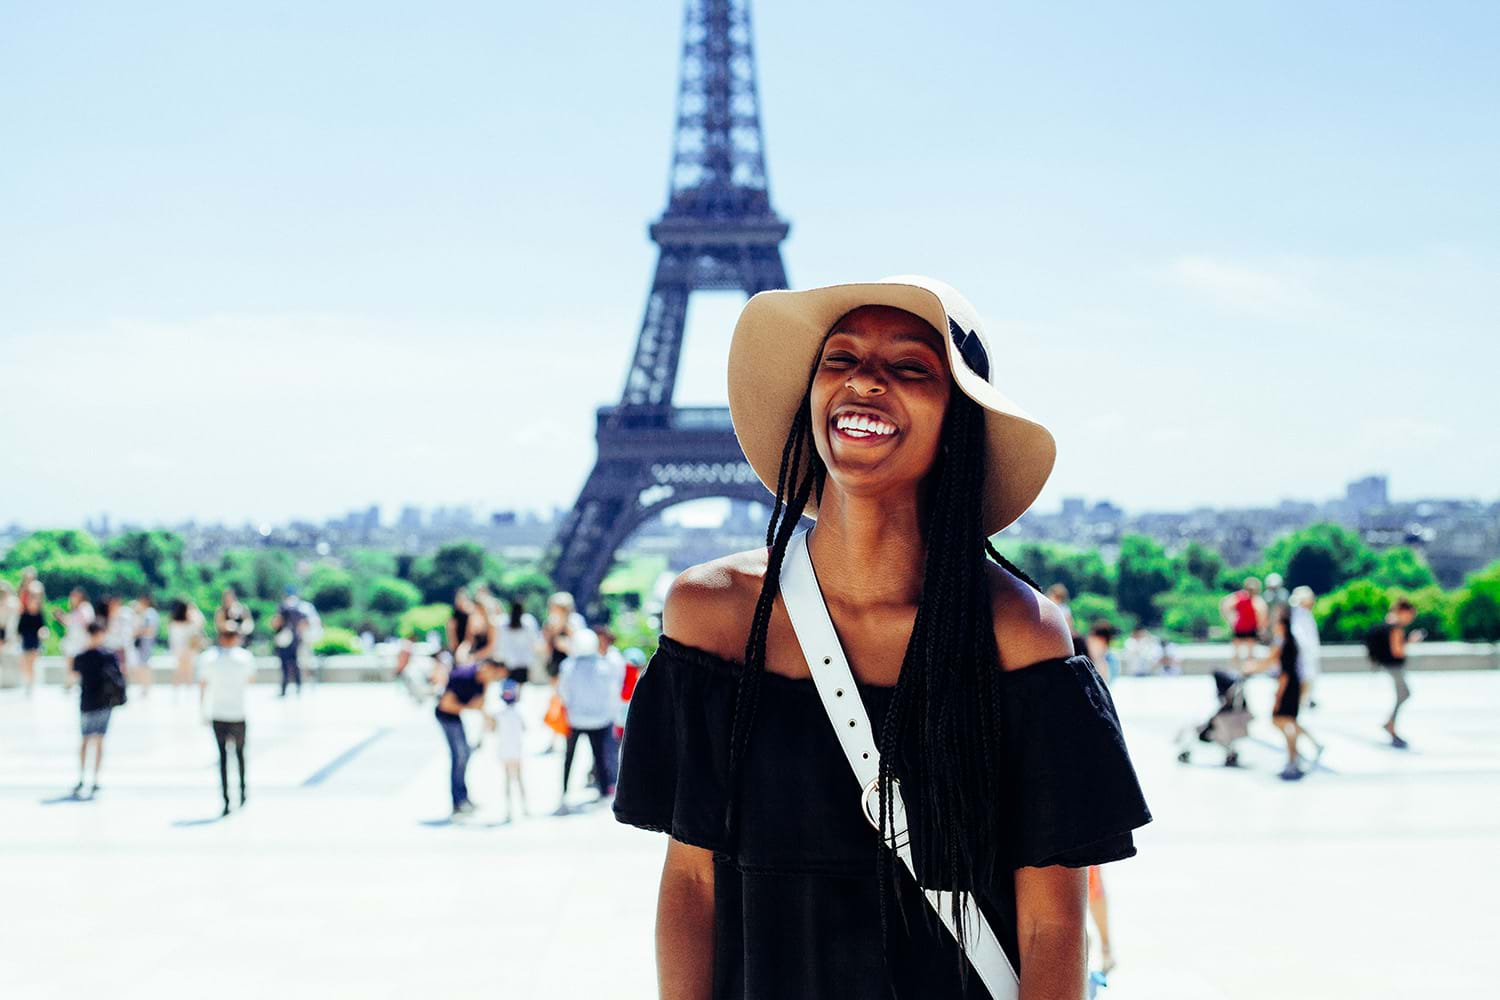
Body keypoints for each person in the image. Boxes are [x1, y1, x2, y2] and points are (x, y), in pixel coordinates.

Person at [614, 276, 1150, 998]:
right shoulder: (711, 617)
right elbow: (691, 882)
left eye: (909, 368)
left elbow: (1050, 927)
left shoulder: (1020, 636)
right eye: (839, 360)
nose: (865, 379)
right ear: (810, 399)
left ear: (958, 420)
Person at [555, 628, 623, 814]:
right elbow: (611, 692)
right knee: (599, 756)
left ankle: (564, 791)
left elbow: (563, 692)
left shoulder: (568, 666)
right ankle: (603, 792)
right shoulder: (604, 665)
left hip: (575, 718)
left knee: (569, 757)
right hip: (600, 719)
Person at [198, 624, 256, 816]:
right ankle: (242, 792)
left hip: (218, 713)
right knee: (239, 755)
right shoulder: (245, 658)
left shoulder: (209, 659)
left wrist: (202, 710)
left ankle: (226, 799)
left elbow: (203, 685)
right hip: (237, 713)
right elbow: (251, 680)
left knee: (223, 757)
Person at [434, 657, 502, 818]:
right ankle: (458, 800)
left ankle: (462, 798)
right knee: (460, 756)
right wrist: (468, 707)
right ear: (486, 668)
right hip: (446, 717)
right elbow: (446, 705)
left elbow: (480, 705)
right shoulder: (463, 676)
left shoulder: (482, 682)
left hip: (456, 716)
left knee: (464, 756)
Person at [69, 620, 125, 798]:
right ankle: (94, 778)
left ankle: (83, 777)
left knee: (86, 741)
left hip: (87, 702)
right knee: (98, 741)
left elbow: (72, 674)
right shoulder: (109, 655)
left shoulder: (82, 655)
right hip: (103, 703)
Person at [1368, 597, 1423, 748]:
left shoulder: (1387, 622)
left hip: (1388, 666)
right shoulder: (1395, 627)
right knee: (1404, 694)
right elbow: (1397, 651)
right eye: (1410, 615)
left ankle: (1390, 724)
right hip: (1394, 667)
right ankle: (1390, 725)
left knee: (1403, 694)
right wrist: (1410, 641)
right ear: (1403, 612)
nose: (1410, 619)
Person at [494, 679, 528, 822]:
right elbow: (525, 728)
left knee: (508, 781)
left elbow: (492, 729)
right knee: (519, 780)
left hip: (505, 750)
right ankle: (525, 808)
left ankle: (509, 810)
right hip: (516, 750)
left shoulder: (499, 714)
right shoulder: (518, 712)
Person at [1220, 577, 1266, 668]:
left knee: (1245, 652)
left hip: (1245, 627)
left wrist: (1230, 619)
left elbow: (1224, 605)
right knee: (1244, 652)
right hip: (1244, 627)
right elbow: (1262, 613)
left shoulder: (1241, 597)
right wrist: (1230, 619)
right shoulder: (1245, 598)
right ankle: (1240, 670)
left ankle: (1242, 670)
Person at [54, 588, 95, 689]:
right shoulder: (76, 609)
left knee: (77, 663)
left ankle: (73, 682)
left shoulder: (85, 607)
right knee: (70, 663)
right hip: (73, 641)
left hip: (80, 641)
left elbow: (86, 621)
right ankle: (69, 683)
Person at [1288, 586, 1321, 708]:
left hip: (1309, 653)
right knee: (1305, 677)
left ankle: (1305, 699)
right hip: (1304, 654)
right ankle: (1301, 701)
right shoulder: (1299, 613)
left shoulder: (1305, 613)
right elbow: (1299, 635)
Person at [495, 599, 540, 685]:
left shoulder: (503, 622)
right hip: (523, 661)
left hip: (507, 660)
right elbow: (534, 640)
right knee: (519, 689)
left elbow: (499, 641)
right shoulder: (529, 621)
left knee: (508, 689)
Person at [271, 588, 307, 697]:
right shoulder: (298, 609)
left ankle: (284, 688)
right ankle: (298, 686)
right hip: (295, 640)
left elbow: (276, 622)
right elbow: (304, 624)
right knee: (295, 664)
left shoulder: (282, 608)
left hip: (284, 640)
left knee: (285, 665)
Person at [16, 583, 48, 696]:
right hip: (25, 641)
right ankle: (28, 683)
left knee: (32, 663)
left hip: (35, 641)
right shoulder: (23, 614)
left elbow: (43, 627)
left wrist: (43, 633)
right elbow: (19, 629)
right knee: (25, 664)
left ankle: (31, 685)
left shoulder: (39, 614)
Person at [168, 598, 204, 692]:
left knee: (179, 671)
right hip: (188, 650)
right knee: (188, 672)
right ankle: (189, 691)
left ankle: (176, 692)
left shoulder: (173, 624)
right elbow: (200, 624)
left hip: (178, 650)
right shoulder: (190, 624)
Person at [132, 593, 159, 696]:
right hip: (145, 642)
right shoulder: (148, 613)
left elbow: (149, 629)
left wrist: (137, 632)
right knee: (143, 665)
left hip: (146, 641)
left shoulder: (149, 613)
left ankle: (146, 688)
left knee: (144, 665)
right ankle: (144, 687)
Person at [1261, 572, 1290, 641]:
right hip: (1270, 619)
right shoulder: (1266, 595)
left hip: (1281, 620)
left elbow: (1285, 608)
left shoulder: (1284, 594)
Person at [446, 587, 473, 655]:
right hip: (459, 650)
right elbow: (452, 641)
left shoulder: (472, 615)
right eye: (459, 599)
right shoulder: (453, 618)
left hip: (472, 647)